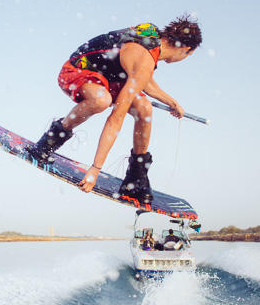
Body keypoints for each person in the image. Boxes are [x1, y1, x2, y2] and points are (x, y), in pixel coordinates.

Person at [27, 14, 202, 204]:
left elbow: (143, 80)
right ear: (185, 49)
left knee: (144, 108)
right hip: (78, 70)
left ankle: (136, 178)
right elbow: (116, 117)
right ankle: (49, 141)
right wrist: (95, 168)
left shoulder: (151, 39)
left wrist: (171, 101)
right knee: (101, 100)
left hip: (110, 79)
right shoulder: (145, 59)